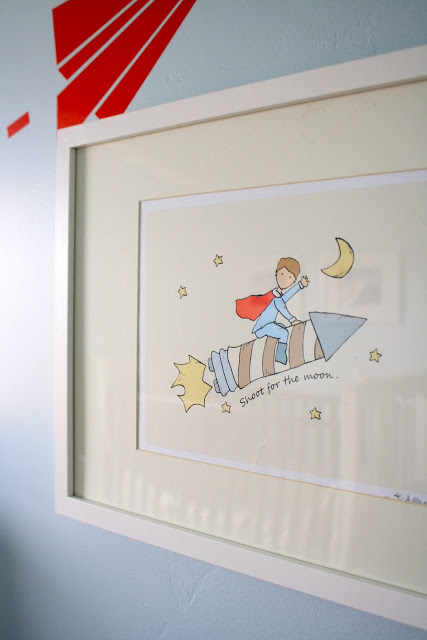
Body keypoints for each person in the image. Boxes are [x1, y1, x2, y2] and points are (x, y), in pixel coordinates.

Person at [236, 258, 309, 365]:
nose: (284, 279)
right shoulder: (274, 297)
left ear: (293, 281)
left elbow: (285, 298)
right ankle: (280, 357)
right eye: (282, 274)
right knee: (284, 333)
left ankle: (277, 353)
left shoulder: (276, 296)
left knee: (282, 328)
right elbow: (281, 306)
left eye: (289, 277)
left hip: (268, 325)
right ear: (276, 273)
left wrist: (299, 285)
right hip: (261, 328)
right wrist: (292, 320)